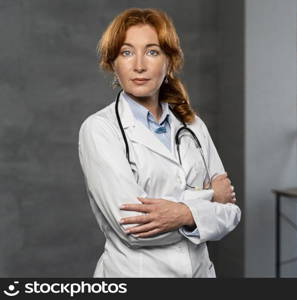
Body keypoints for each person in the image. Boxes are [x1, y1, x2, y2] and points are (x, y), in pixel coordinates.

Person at [78, 8, 241, 277]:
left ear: (169, 62)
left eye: (152, 52)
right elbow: (134, 229)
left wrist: (181, 212)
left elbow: (231, 214)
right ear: (113, 63)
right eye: (127, 52)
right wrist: (207, 202)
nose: (139, 65)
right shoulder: (99, 129)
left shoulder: (193, 126)